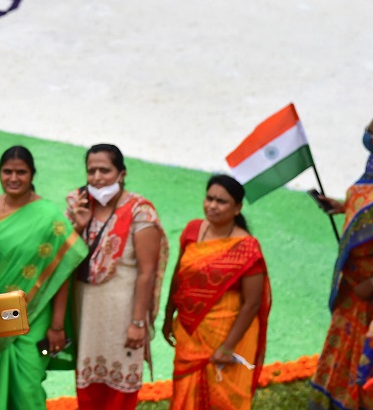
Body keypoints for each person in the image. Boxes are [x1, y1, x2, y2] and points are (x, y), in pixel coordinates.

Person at [0, 145, 88, 410]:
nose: (13, 178)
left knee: (28, 385)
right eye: (7, 172)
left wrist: (57, 326)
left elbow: (62, 272)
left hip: (33, 313)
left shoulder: (49, 216)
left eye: (21, 172)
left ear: (32, 174)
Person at [66, 143, 168, 410]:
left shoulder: (139, 212)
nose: (97, 177)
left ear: (121, 173)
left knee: (119, 392)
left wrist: (137, 322)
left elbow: (146, 272)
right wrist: (79, 225)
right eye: (91, 171)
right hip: (86, 315)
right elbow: (63, 261)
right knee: (88, 387)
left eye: (105, 170)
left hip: (123, 317)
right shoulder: (77, 205)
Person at [162, 175, 271, 410]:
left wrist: (228, 346)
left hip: (226, 332)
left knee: (222, 397)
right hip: (190, 329)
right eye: (209, 198)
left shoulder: (247, 247)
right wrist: (168, 314)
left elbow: (252, 303)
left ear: (237, 208)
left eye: (221, 201)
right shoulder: (193, 230)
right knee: (184, 391)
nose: (212, 206)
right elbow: (178, 275)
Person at [309, 116, 373, 410]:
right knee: (342, 351)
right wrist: (343, 206)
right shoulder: (370, 172)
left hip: (369, 293)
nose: (369, 134)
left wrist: (372, 284)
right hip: (353, 288)